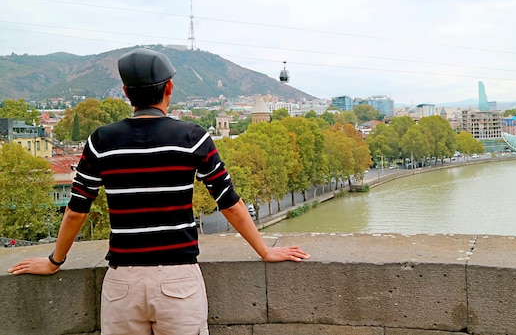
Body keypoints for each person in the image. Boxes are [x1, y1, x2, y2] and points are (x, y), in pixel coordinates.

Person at [8, 48, 310, 335]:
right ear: (169, 88)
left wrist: (54, 261)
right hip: (178, 278)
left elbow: (77, 210)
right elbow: (229, 202)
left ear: (126, 93)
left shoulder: (101, 140)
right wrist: (265, 250)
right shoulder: (192, 138)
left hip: (122, 282)